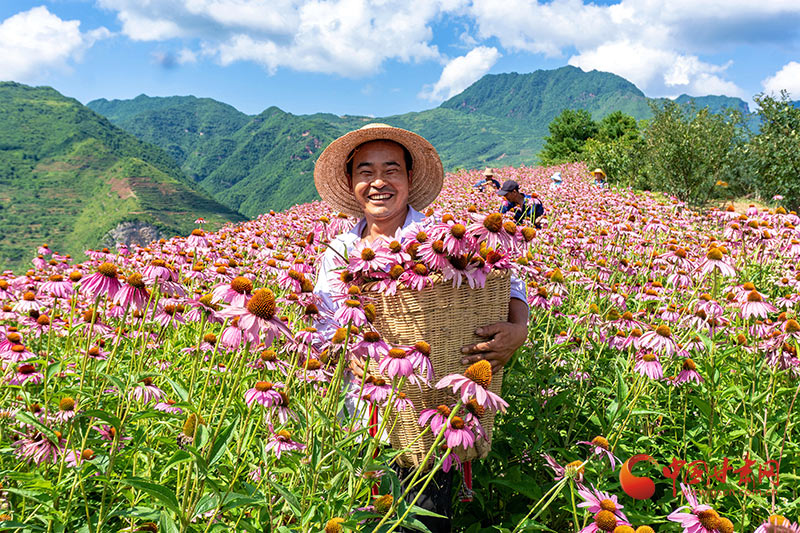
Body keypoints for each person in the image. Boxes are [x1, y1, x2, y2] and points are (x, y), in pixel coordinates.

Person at [312, 123, 529, 531]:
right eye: (365, 171)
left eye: (391, 170)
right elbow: (325, 322)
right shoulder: (338, 250)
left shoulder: (438, 237)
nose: (378, 182)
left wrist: (519, 330)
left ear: (410, 179)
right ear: (351, 181)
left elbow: (509, 278)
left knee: (424, 520)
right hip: (361, 421)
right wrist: (343, 351)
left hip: (433, 415)